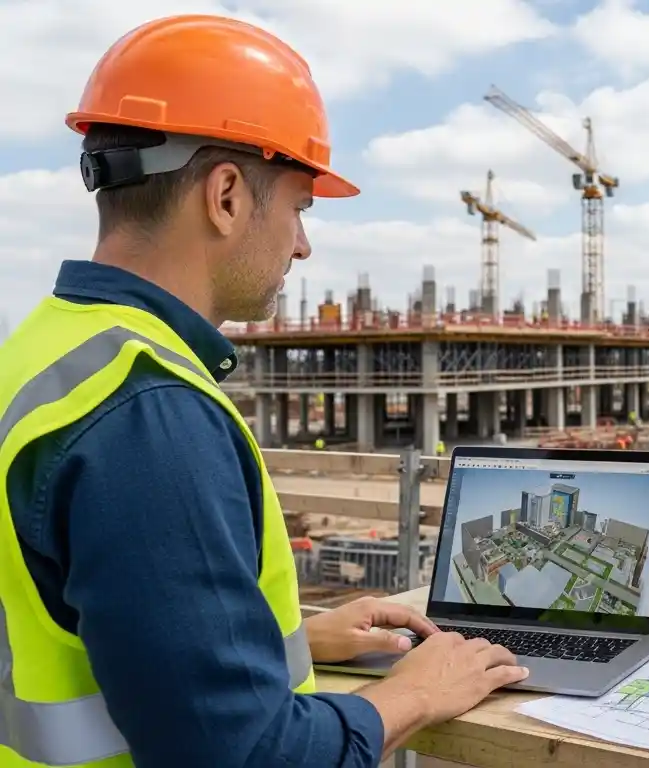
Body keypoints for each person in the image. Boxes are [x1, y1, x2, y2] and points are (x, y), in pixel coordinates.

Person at [0, 15, 528, 768]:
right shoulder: (149, 413)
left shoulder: (43, 354)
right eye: (298, 207)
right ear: (225, 197)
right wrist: (415, 693)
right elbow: (248, 756)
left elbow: (83, 633)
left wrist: (289, 640)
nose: (303, 245)